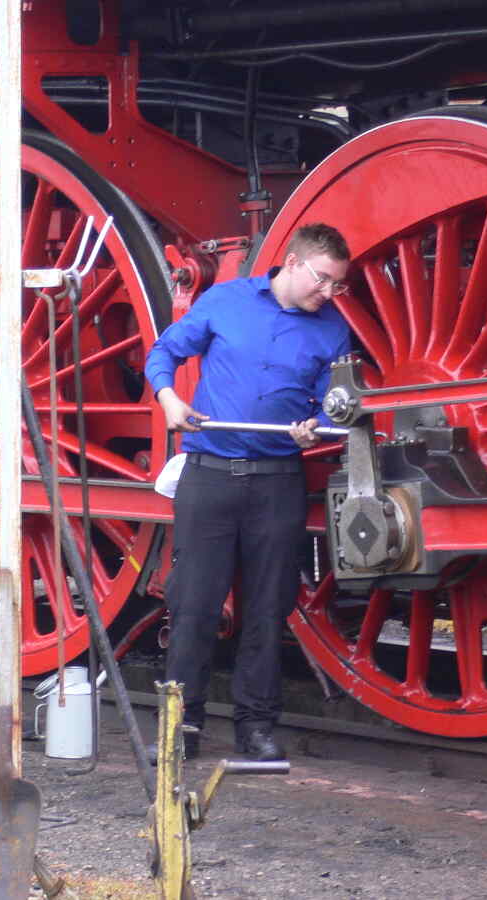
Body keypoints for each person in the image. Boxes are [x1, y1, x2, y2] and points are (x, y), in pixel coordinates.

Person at [143, 223, 352, 762]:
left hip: (278, 479)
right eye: (323, 279)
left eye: (337, 284)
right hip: (209, 474)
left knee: (268, 608)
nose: (329, 293)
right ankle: (180, 728)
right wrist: (168, 398)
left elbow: (334, 405)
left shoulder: (332, 329)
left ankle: (256, 728)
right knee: (192, 606)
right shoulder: (225, 301)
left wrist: (317, 426)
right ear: (293, 262)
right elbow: (164, 352)